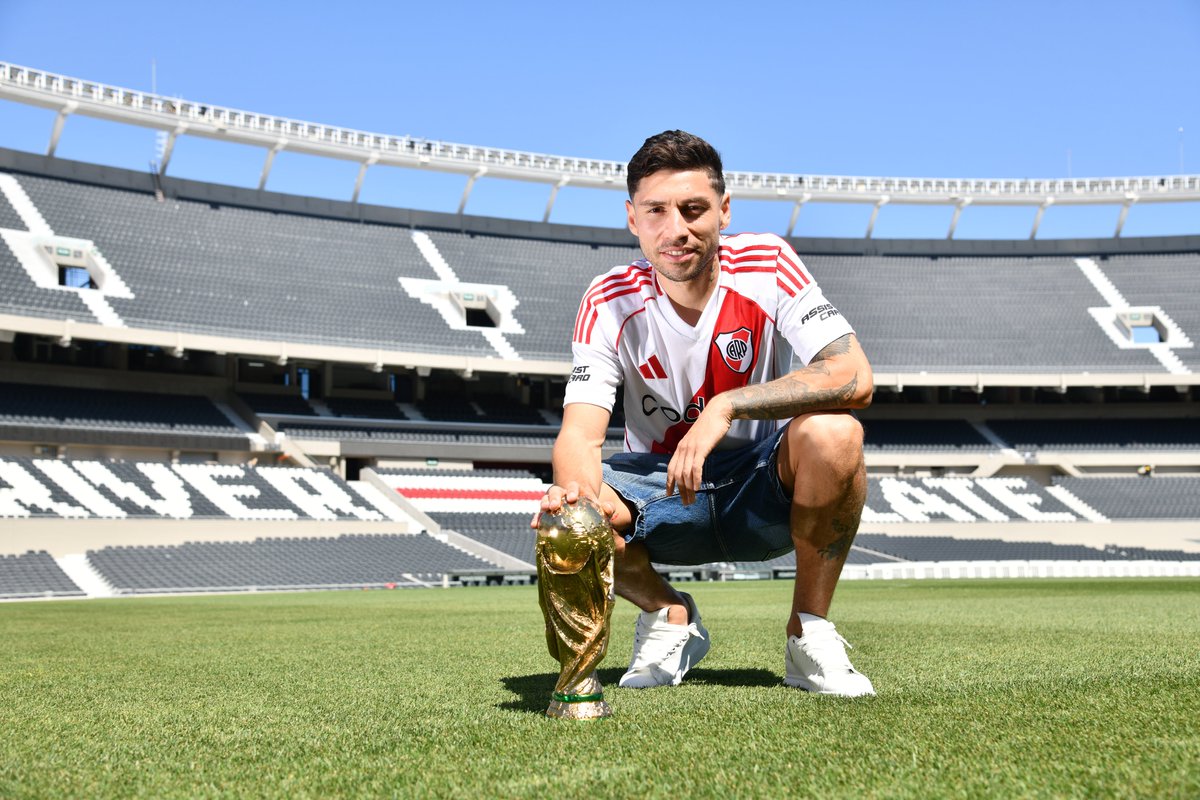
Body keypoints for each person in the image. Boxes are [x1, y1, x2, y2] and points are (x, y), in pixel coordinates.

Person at [533, 130, 875, 697]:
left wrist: (728, 405)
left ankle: (808, 633)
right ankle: (669, 615)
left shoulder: (767, 262)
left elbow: (853, 374)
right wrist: (574, 505)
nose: (676, 229)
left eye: (693, 210)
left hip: (761, 488)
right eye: (656, 211)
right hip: (662, 491)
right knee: (570, 507)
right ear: (631, 219)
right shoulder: (608, 298)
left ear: (723, 210)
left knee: (836, 432)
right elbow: (580, 436)